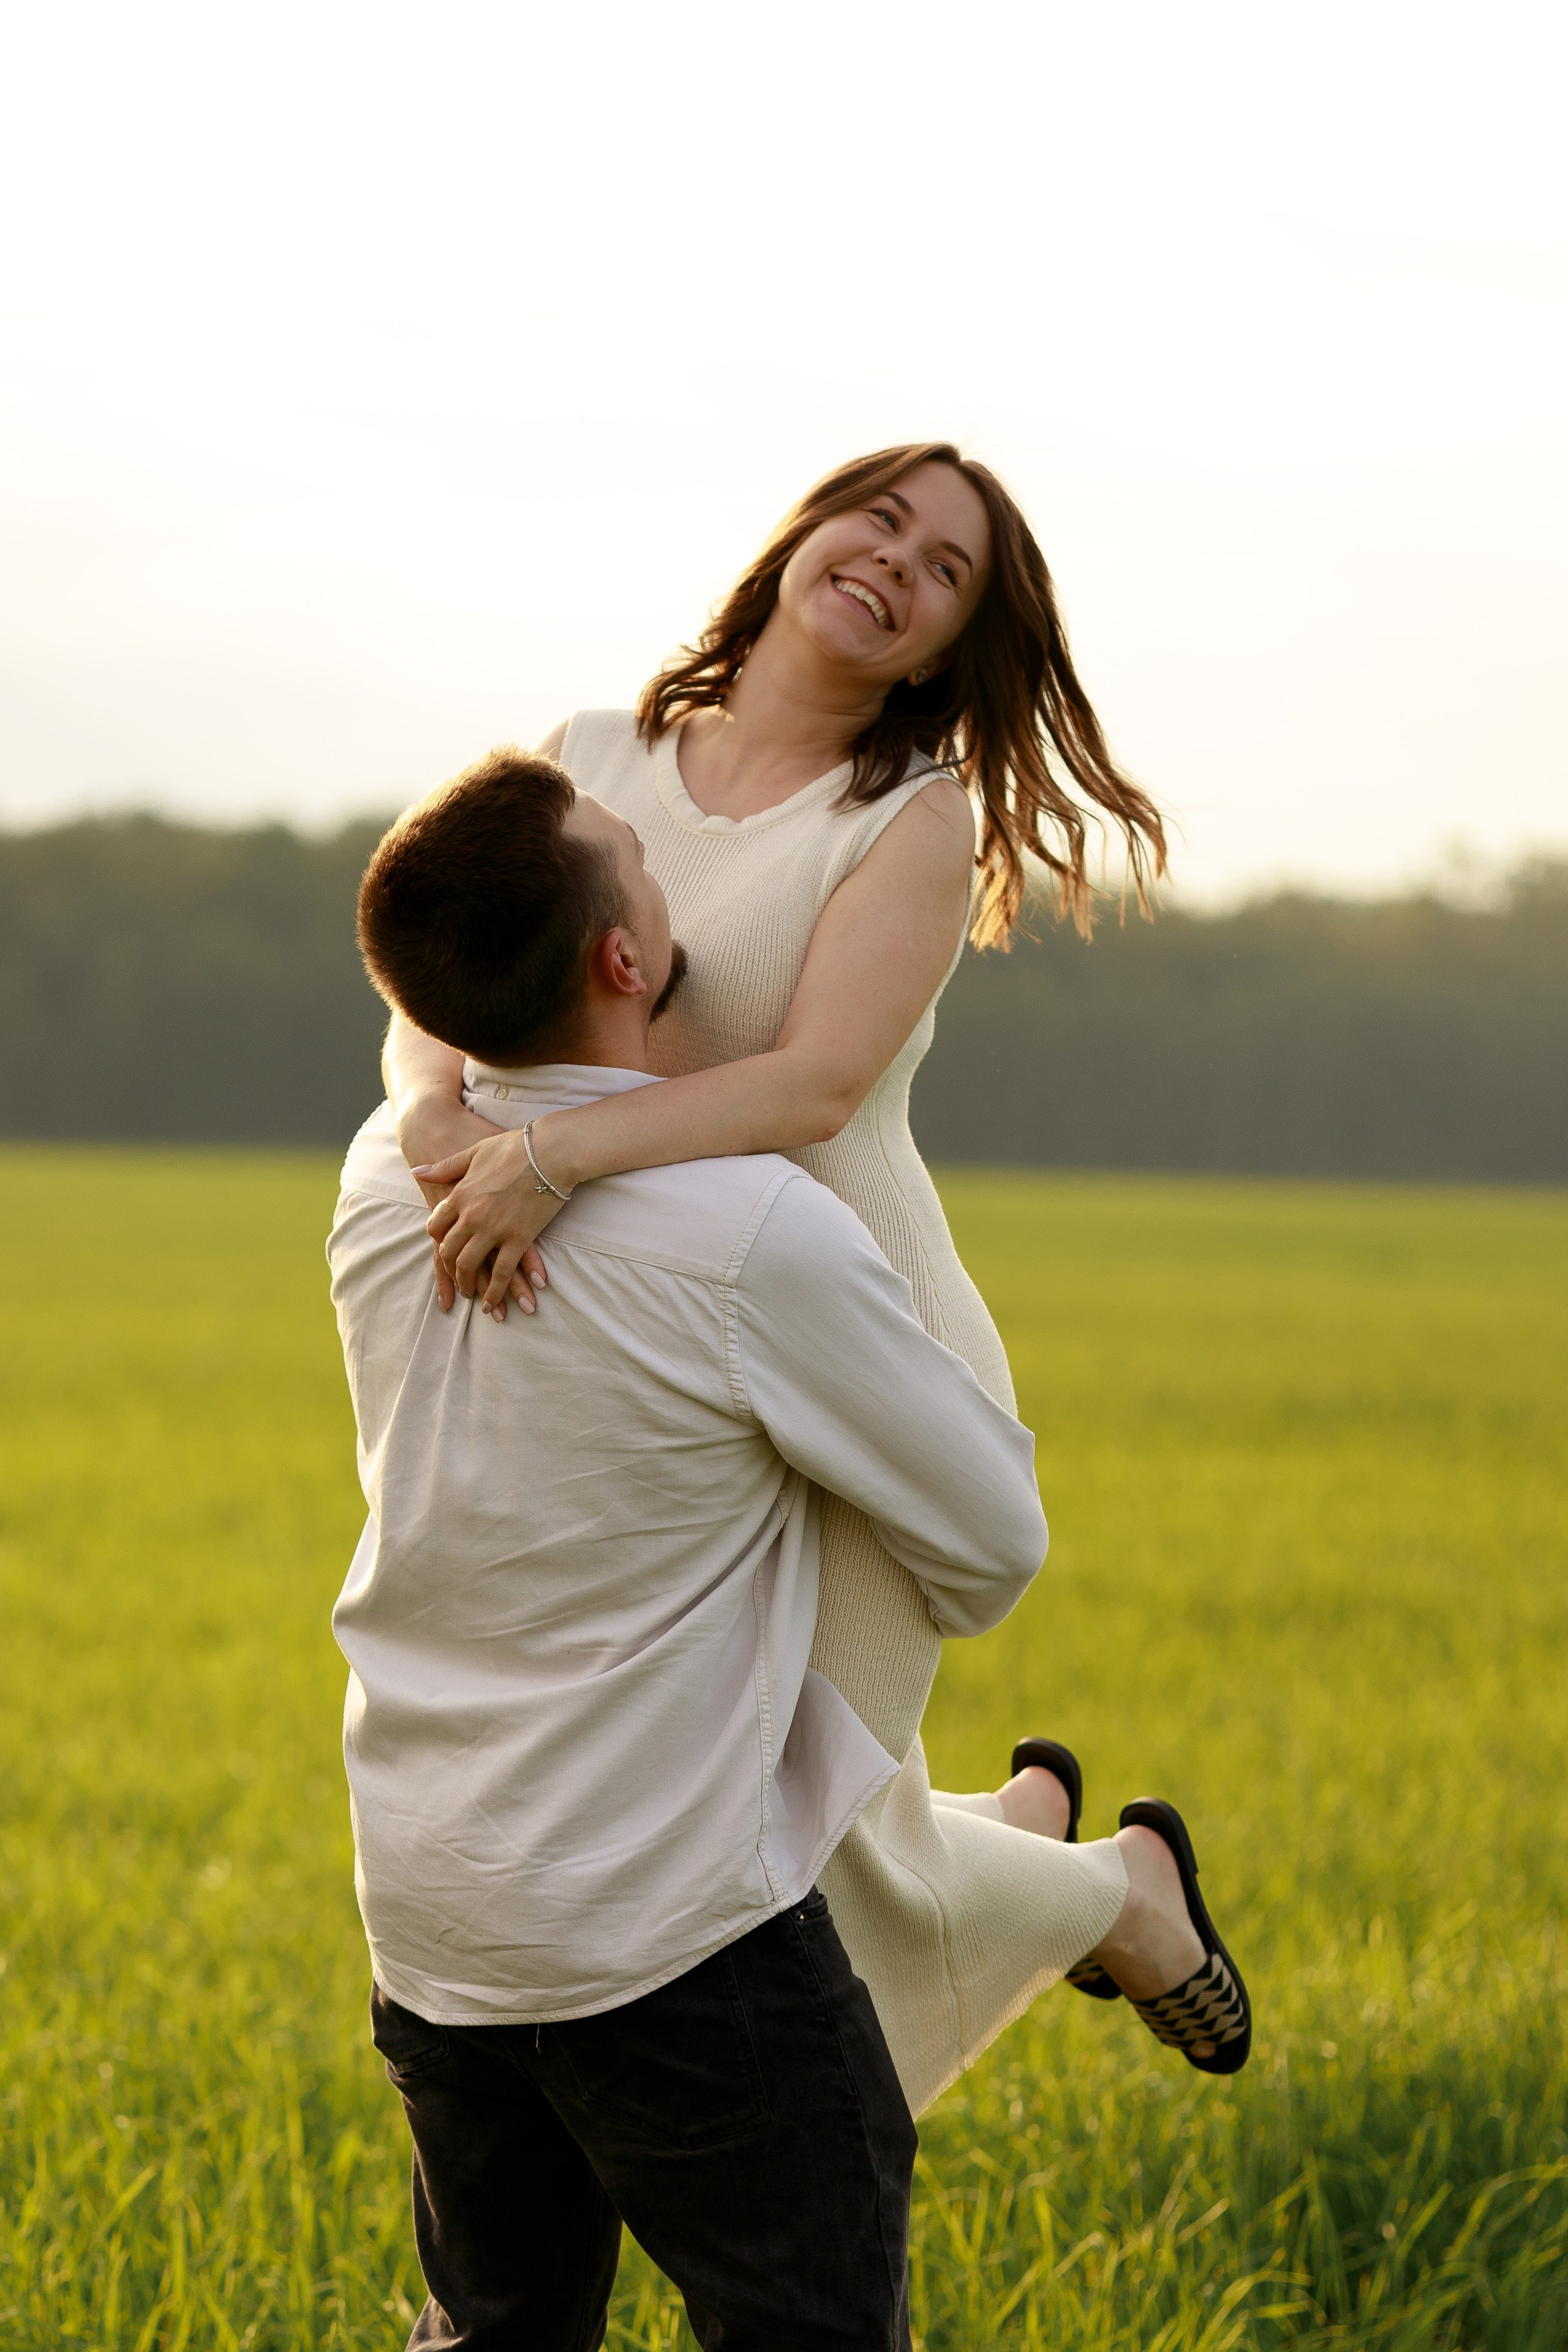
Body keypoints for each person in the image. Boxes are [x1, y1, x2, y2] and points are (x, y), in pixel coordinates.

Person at [331, 750, 1250, 2349]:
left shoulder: (379, 1186)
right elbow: (989, 1542)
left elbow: (425, 1040)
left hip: (433, 1915)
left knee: (495, 2329)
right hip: (666, 1941)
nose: (664, 848)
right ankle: (1064, 1869)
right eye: (639, 847)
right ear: (626, 960)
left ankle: (1029, 1848)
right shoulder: (748, 1235)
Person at [383, 445, 1249, 2113]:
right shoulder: (588, 755)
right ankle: (1024, 1843)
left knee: (797, 1842)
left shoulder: (910, 823)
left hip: (856, 1344)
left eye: (945, 574)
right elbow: (438, 957)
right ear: (808, 529)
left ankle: (1115, 1898)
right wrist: (433, 1106)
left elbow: (811, 1089)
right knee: (706, 1816)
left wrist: (554, 1158)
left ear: (943, 651)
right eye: (884, 522)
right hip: (664, 1357)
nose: (897, 567)